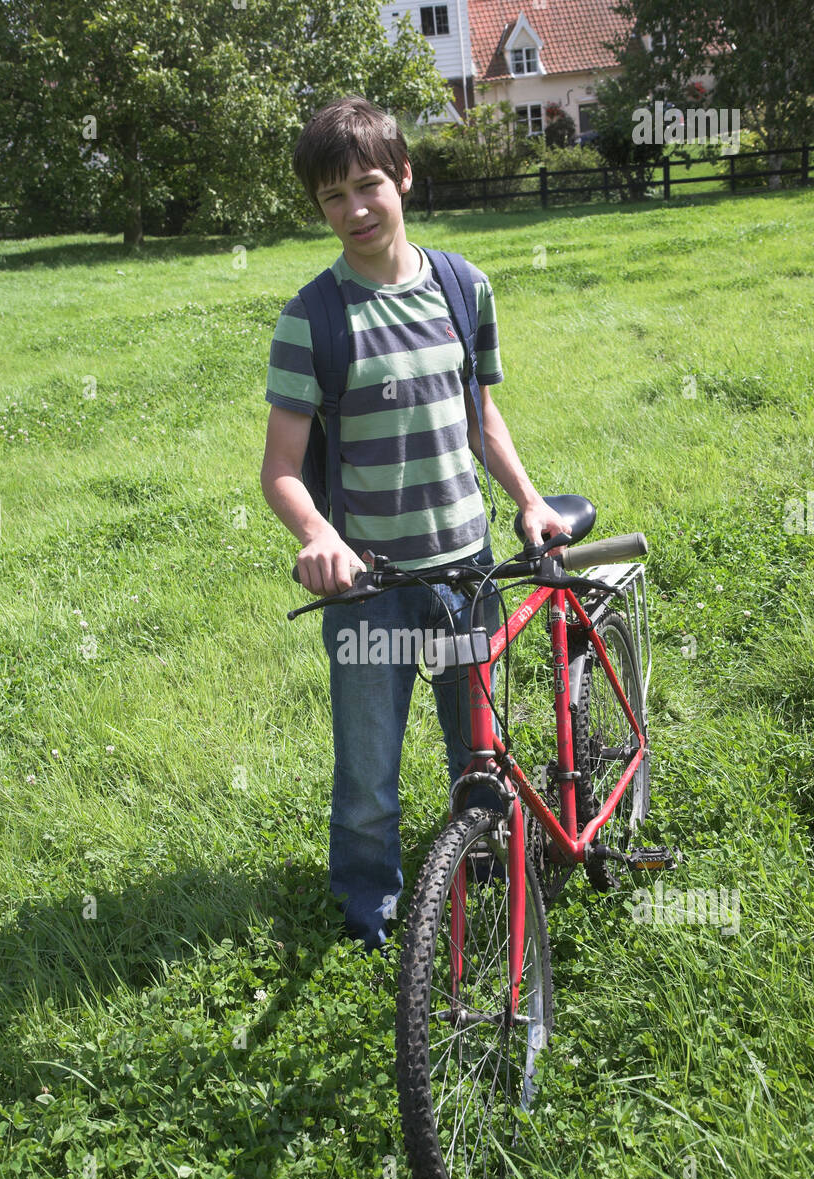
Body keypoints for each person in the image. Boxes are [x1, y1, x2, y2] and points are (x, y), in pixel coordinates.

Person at [261, 96, 565, 953]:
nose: (355, 210)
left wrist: (529, 499)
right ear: (318, 209)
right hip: (374, 590)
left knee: (479, 755)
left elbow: (482, 420)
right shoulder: (310, 318)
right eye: (333, 198)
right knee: (367, 777)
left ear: (403, 177)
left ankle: (478, 872)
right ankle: (371, 914)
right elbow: (281, 469)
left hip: (468, 570)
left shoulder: (464, 288)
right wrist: (318, 535)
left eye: (368, 186)